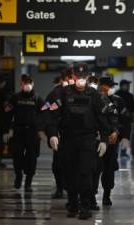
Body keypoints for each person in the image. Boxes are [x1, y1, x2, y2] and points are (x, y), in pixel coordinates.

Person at [46, 73, 111, 220]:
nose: (81, 81)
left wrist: (104, 140)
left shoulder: (94, 95)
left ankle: (85, 207)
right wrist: (52, 134)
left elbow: (102, 118)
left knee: (86, 173)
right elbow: (52, 115)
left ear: (87, 78)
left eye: (84, 77)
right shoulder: (63, 93)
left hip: (87, 139)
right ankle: (73, 205)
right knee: (69, 173)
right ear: (74, 78)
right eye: (78, 77)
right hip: (68, 139)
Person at [91, 77, 129, 209]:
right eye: (107, 86)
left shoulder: (118, 101)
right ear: (101, 86)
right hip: (96, 141)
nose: (110, 88)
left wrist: (119, 134)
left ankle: (107, 195)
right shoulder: (93, 99)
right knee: (94, 169)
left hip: (112, 142)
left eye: (111, 86)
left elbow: (124, 120)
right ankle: (91, 197)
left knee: (109, 169)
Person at [4, 74, 44, 192]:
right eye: (24, 83)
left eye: (29, 83)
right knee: (17, 155)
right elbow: (8, 113)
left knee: (32, 157)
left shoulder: (37, 98)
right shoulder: (15, 97)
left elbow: (46, 111)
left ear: (32, 83)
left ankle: (28, 182)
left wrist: (55, 104)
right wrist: (9, 129)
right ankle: (18, 176)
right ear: (21, 84)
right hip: (18, 131)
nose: (27, 85)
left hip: (33, 132)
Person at [40, 75, 65, 199]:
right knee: (58, 164)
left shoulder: (85, 93)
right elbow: (46, 110)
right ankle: (60, 187)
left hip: (79, 135)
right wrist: (51, 133)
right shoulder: (55, 95)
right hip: (60, 135)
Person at [115, 79, 134, 158]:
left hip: (127, 120)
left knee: (126, 136)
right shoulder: (116, 95)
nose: (128, 86)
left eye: (128, 85)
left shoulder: (130, 95)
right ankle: (116, 151)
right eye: (127, 85)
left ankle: (123, 152)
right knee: (117, 135)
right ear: (122, 85)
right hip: (118, 120)